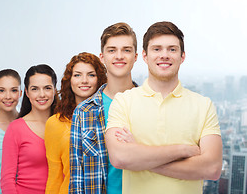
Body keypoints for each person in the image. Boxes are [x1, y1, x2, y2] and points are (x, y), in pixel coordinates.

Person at [105, 21, 222, 194]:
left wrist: (140, 158)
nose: (164, 55)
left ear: (182, 56)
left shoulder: (203, 105)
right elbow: (120, 158)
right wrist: (183, 150)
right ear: (145, 56)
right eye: (157, 49)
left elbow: (212, 168)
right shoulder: (123, 102)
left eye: (172, 49)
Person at [69, 22, 139, 194]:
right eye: (112, 50)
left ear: (136, 56)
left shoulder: (151, 105)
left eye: (126, 50)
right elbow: (77, 177)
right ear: (102, 57)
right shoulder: (84, 112)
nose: (119, 56)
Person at [44, 52, 107, 194]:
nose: (84, 80)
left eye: (91, 75)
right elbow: (55, 177)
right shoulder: (54, 123)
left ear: (99, 79)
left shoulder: (110, 115)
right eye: (77, 75)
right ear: (69, 80)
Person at [1, 64, 58, 194]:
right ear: (26, 92)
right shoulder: (16, 129)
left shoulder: (65, 124)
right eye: (35, 89)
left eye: (47, 88)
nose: (42, 94)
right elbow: (7, 180)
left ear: (54, 90)